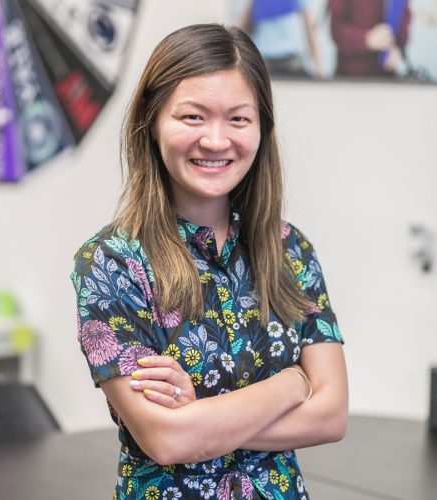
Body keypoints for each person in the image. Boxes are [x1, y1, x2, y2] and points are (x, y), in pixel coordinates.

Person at [71, 23, 348, 499]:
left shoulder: (290, 251)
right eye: (193, 117)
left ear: (261, 128)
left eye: (238, 119)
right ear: (152, 121)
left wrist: (203, 417)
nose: (216, 141)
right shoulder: (110, 264)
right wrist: (291, 383)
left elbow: (333, 414)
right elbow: (165, 437)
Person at [234, 0, 323, 78]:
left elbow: (309, 28)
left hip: (291, 61)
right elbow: (241, 29)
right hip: (265, 62)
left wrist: (317, 66)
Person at [329, 0, 411, 78]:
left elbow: (403, 29)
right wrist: (366, 39)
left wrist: (397, 49)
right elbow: (336, 30)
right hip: (350, 77)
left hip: (387, 78)